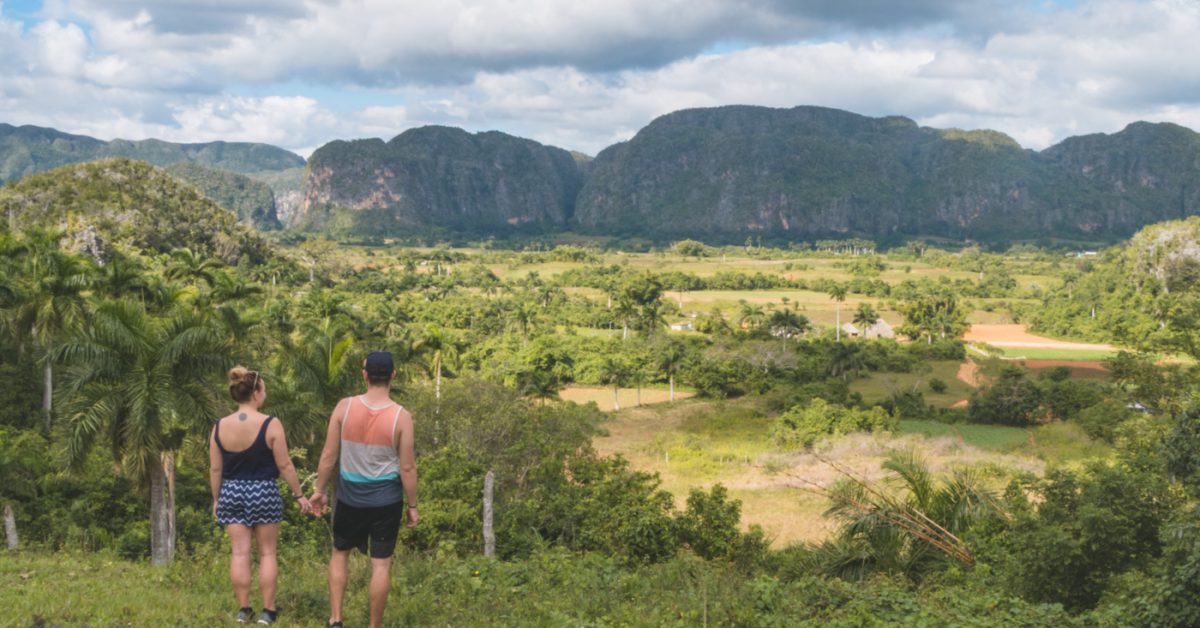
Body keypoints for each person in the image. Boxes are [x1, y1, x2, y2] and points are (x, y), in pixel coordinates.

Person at [309, 351, 419, 628]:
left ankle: (335, 619)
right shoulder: (401, 417)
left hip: (349, 499)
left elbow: (328, 455)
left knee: (339, 553)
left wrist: (319, 490)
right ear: (393, 375)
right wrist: (413, 506)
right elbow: (407, 468)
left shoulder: (344, 408)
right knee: (380, 564)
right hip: (387, 501)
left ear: (365, 375)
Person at [209, 367, 312, 625]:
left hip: (231, 491)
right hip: (263, 490)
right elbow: (285, 465)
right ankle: (268, 611)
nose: (264, 393)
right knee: (267, 553)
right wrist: (299, 495)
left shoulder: (219, 427)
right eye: (263, 389)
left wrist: (216, 499)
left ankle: (244, 610)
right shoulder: (270, 424)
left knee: (240, 553)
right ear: (256, 393)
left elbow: (215, 468)